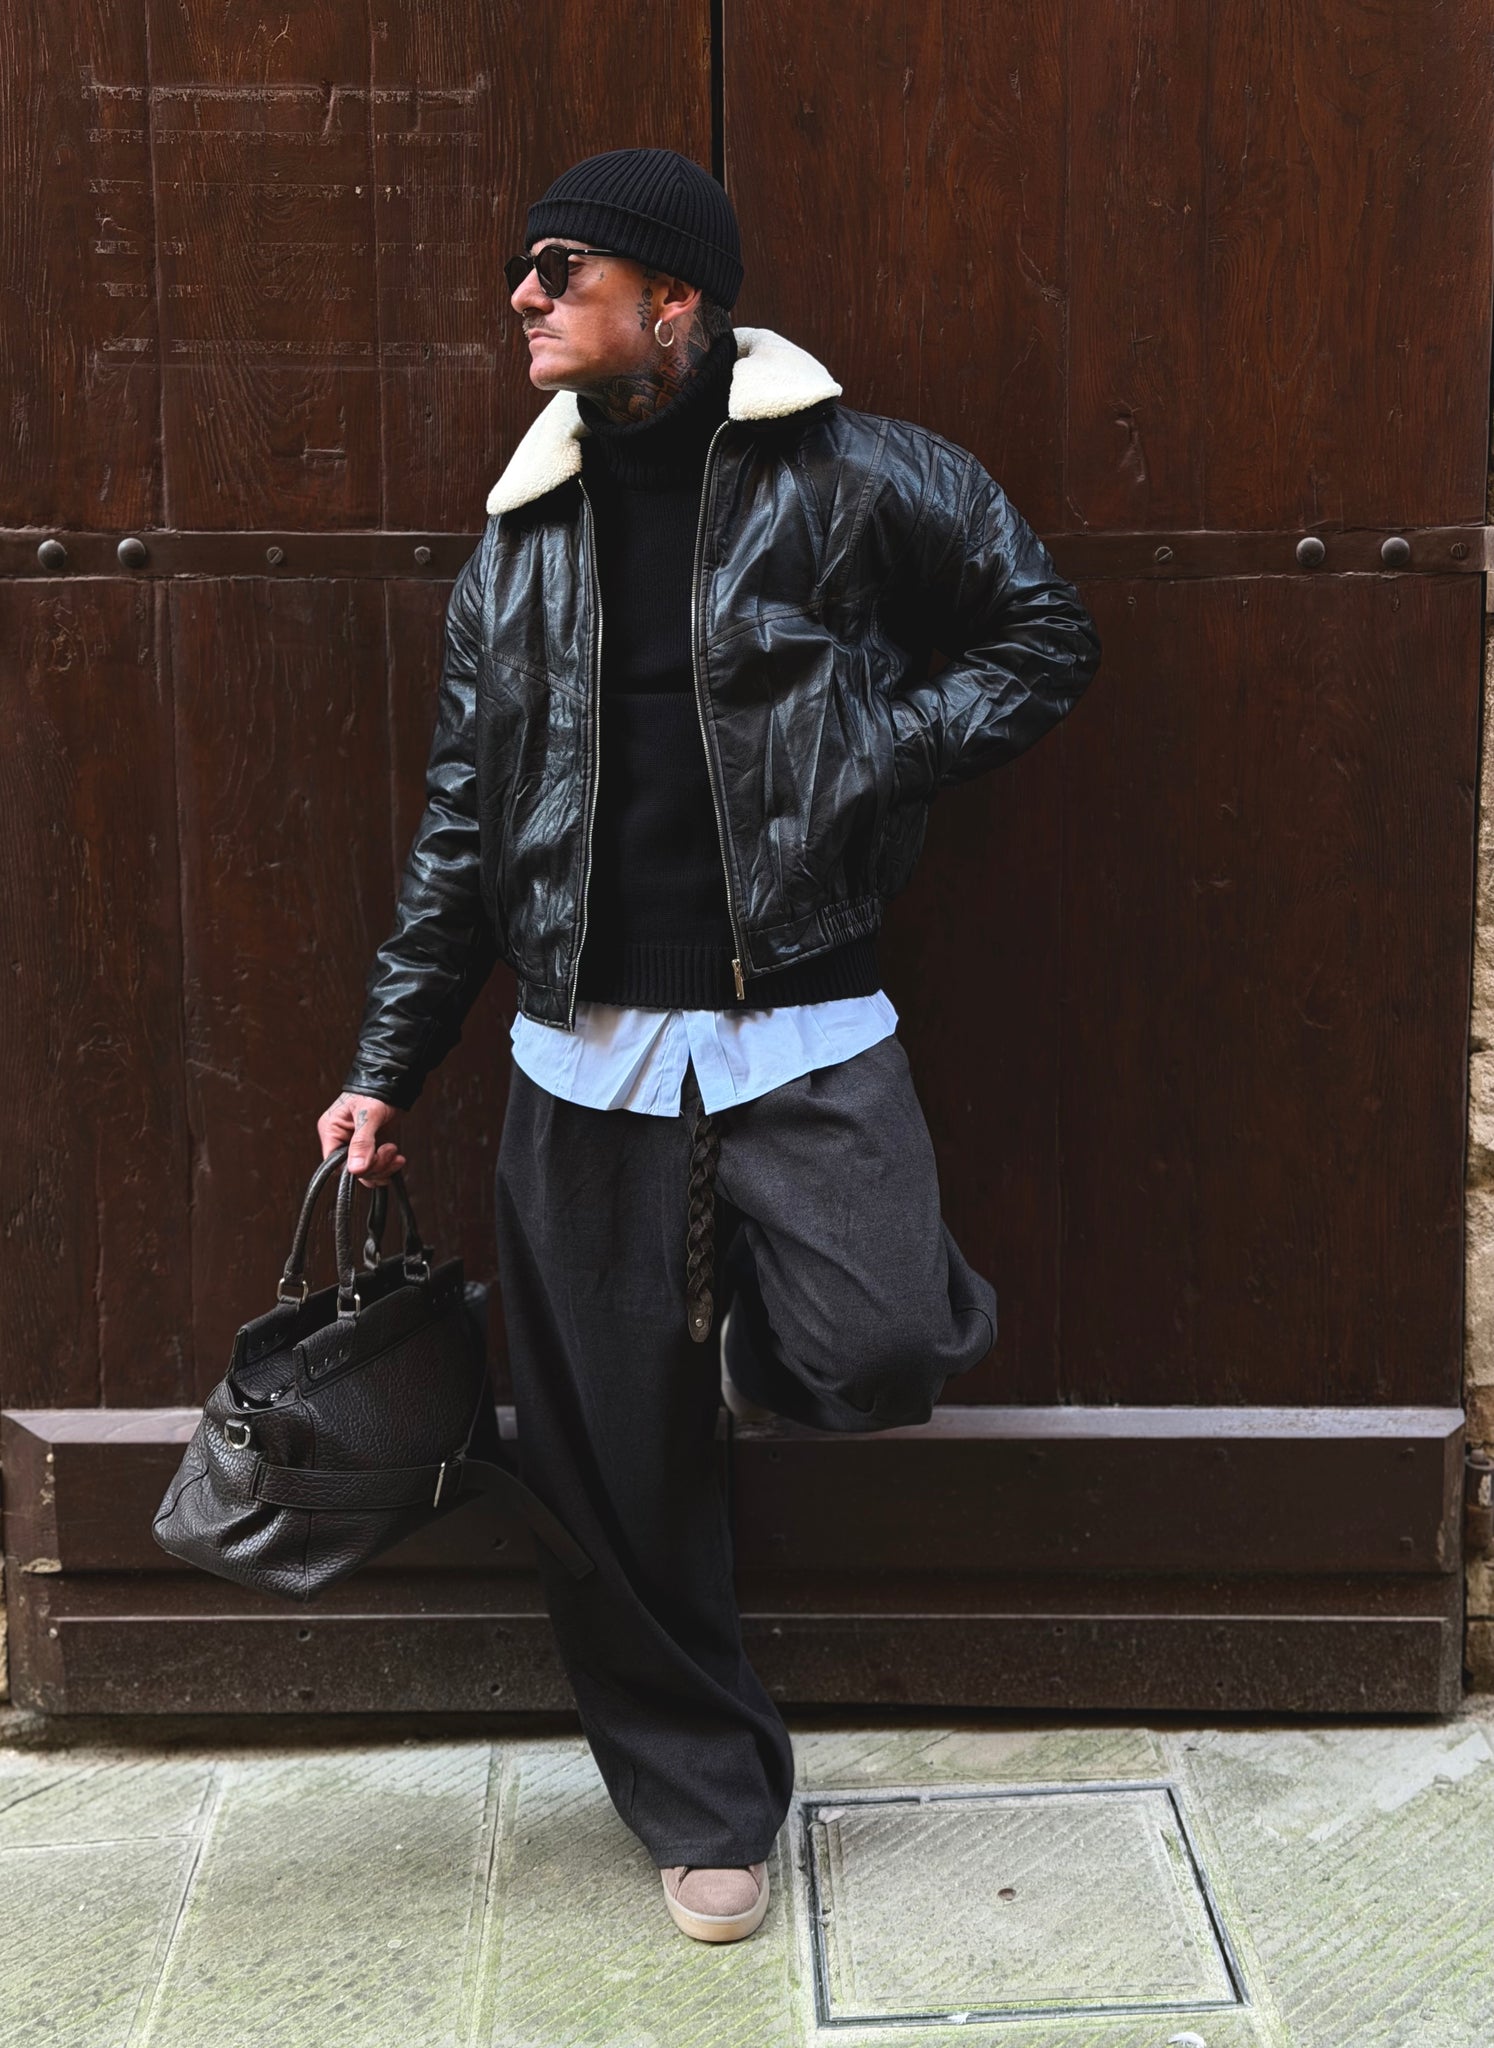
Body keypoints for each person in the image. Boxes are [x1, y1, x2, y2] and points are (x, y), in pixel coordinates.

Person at [318, 147, 1102, 1945]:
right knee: (607, 1474)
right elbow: (462, 827)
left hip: (800, 1029)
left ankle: (750, 1330)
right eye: (521, 269)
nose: (521, 294)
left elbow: (1042, 632)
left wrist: (876, 749)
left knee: (879, 1336)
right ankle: (703, 1803)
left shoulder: (859, 474)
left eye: (561, 267)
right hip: (578, 1063)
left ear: (673, 298)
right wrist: (385, 1064)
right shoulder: (519, 541)